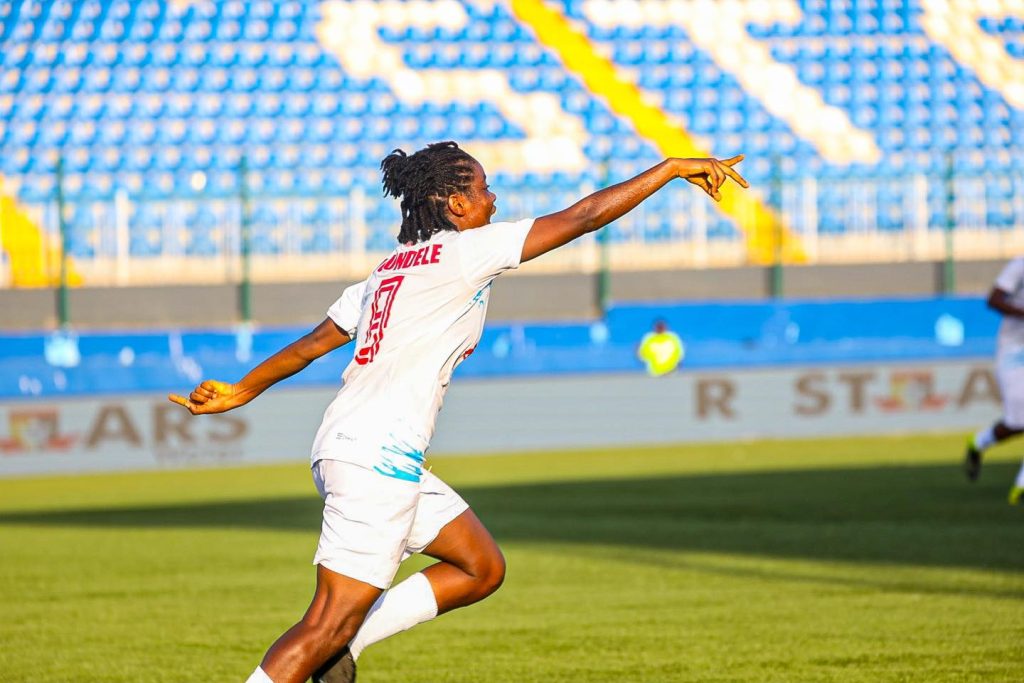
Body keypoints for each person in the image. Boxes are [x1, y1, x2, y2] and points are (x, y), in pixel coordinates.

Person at [170, 141, 748, 683]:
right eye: (484, 188)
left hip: (357, 447)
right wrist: (670, 169)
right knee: (323, 623)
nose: (493, 199)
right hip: (376, 459)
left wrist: (243, 390)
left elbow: (311, 345)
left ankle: (349, 643)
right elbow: (584, 217)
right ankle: (336, 641)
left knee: (479, 567)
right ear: (456, 204)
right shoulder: (466, 252)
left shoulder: (388, 270)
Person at [963, 256, 1024, 505]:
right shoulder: (1020, 266)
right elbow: (994, 299)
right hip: (1015, 353)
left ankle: (1021, 487)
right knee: (1017, 422)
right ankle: (979, 442)